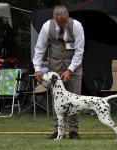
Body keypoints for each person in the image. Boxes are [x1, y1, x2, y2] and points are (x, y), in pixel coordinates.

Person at [33, 5, 85, 139]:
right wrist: (37, 69)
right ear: (54, 18)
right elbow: (40, 49)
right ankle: (57, 130)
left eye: (65, 20)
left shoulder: (77, 26)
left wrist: (70, 70)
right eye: (60, 22)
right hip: (54, 66)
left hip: (74, 66)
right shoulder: (46, 27)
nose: (63, 24)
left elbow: (79, 51)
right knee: (56, 100)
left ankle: (73, 131)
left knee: (75, 99)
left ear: (68, 16)